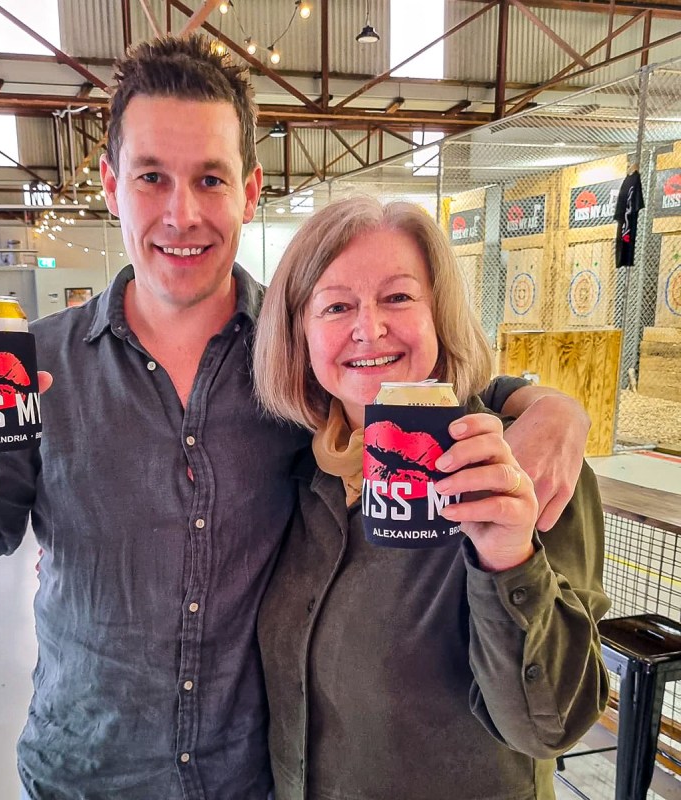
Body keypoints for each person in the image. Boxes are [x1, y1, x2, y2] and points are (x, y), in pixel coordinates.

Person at [0, 37, 592, 800]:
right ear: (110, 185)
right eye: (152, 178)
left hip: (249, 779)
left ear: (250, 189)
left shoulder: (299, 357)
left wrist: (552, 408)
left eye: (210, 178)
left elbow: (425, 379)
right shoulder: (40, 366)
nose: (183, 213)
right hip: (85, 771)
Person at [253, 195, 610, 800]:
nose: (370, 327)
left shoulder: (516, 469)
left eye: (398, 297)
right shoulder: (300, 473)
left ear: (439, 316)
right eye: (336, 306)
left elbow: (550, 726)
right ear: (299, 336)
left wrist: (510, 560)